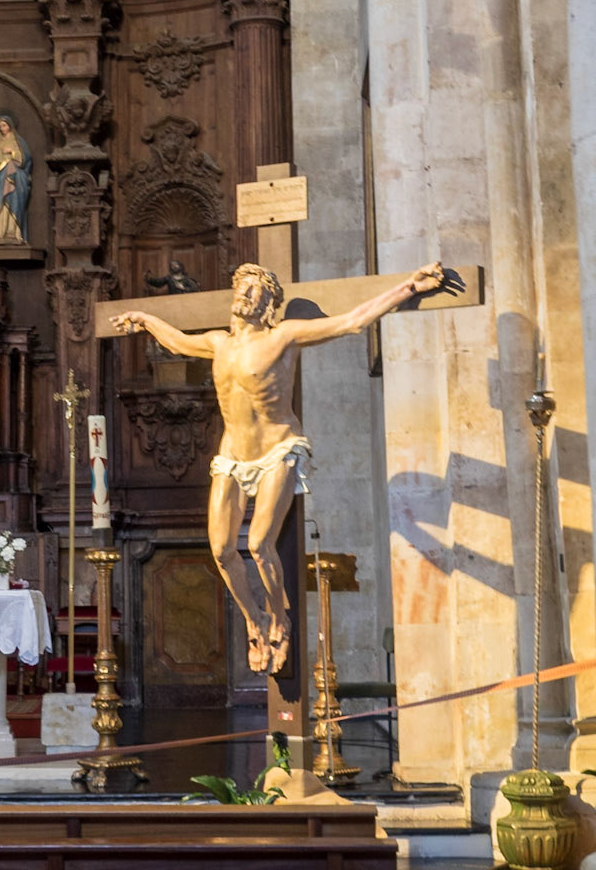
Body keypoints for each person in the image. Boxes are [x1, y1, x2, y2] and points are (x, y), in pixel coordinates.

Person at [113, 259, 451, 672]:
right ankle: (254, 621)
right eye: (241, 286)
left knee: (257, 544)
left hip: (277, 448)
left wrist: (408, 288)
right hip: (232, 456)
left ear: (268, 303)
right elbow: (179, 341)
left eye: (255, 289)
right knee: (221, 550)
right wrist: (146, 319)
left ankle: (280, 618)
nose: (245, 294)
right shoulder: (218, 342)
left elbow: (352, 322)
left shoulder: (284, 336)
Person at [0, 114, 32, 242]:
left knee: (14, 203)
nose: (2, 128)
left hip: (15, 177)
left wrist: (13, 152)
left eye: (4, 125)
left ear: (10, 125)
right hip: (0, 179)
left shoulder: (18, 141)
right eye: (0, 126)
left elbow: (26, 159)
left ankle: (14, 233)